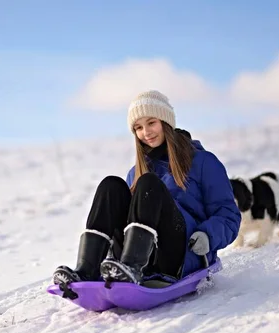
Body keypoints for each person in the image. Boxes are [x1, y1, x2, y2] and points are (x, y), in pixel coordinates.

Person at [53, 90, 241, 286]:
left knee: (149, 183)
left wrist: (208, 235)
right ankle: (87, 270)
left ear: (165, 123)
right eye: (138, 128)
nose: (146, 132)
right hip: (139, 258)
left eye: (151, 123)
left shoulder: (203, 162)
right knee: (111, 186)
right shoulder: (135, 173)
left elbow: (229, 216)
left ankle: (132, 267)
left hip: (182, 254)